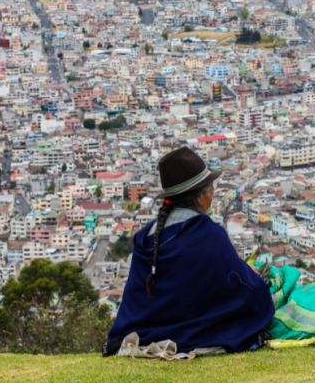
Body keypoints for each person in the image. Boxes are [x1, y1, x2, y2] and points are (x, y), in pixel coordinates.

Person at [104, 147, 274, 356]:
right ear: (201, 197)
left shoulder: (146, 237)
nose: (212, 197)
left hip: (143, 335)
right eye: (211, 191)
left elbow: (143, 299)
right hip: (192, 334)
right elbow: (247, 293)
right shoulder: (210, 235)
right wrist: (252, 277)